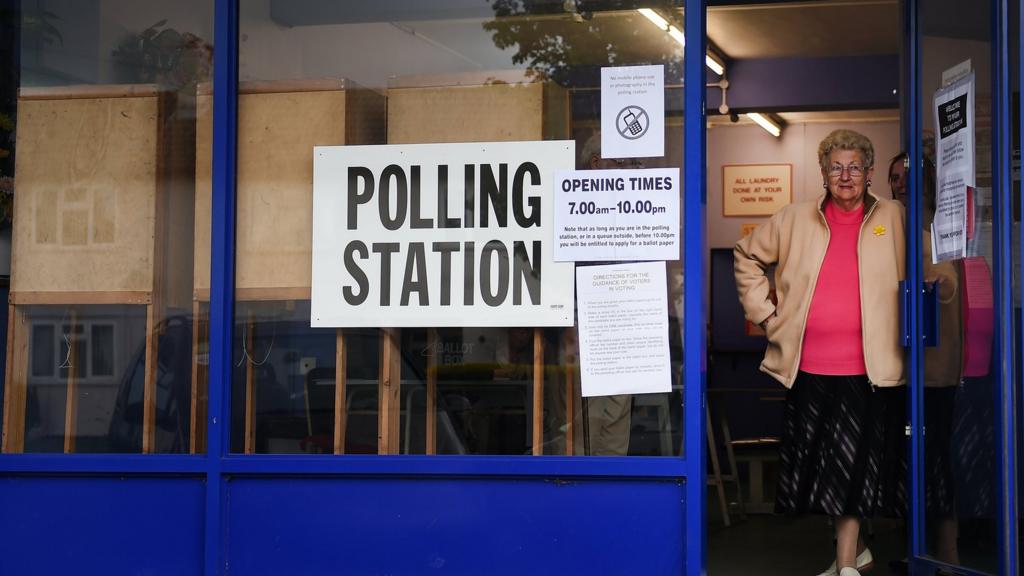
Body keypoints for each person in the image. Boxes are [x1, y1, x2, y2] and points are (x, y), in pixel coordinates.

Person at [734, 129, 906, 576]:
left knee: (850, 463)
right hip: (806, 366)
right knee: (824, 468)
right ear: (823, 173)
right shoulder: (793, 218)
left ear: (870, 173)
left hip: (869, 367)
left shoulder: (894, 217)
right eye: (836, 167)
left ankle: (846, 563)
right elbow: (746, 255)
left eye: (854, 167)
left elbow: (921, 270)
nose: (845, 176)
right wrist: (767, 316)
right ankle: (859, 550)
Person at [890, 152, 961, 566]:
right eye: (895, 178)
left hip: (936, 370)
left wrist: (926, 279)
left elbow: (947, 287)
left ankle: (949, 555)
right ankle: (916, 551)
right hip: (901, 368)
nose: (901, 184)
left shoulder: (942, 226)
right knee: (906, 463)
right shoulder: (890, 226)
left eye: (909, 177)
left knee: (937, 463)